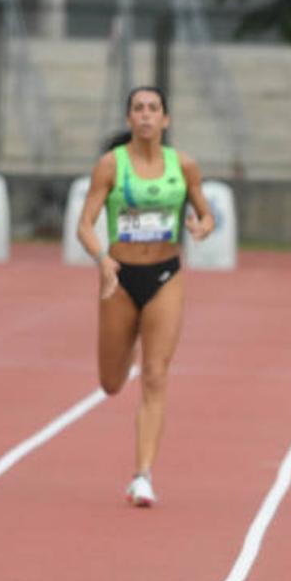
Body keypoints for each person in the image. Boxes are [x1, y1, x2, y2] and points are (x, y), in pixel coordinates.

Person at [76, 85, 215, 507]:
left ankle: (142, 475)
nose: (146, 116)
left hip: (165, 275)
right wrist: (101, 258)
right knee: (112, 382)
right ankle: (127, 339)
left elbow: (206, 214)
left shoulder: (184, 166)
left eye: (154, 108)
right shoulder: (110, 166)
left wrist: (202, 227)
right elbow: (85, 224)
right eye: (138, 108)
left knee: (155, 374)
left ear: (166, 119)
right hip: (119, 277)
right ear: (128, 119)